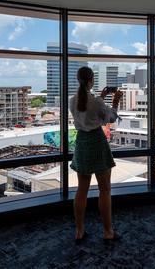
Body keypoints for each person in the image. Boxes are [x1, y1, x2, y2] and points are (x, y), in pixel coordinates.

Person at [69, 66, 123, 243]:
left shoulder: (72, 101)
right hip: (97, 143)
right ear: (91, 80)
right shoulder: (96, 103)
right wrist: (114, 102)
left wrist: (101, 96)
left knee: (81, 190)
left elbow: (89, 108)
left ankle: (78, 231)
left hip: (82, 143)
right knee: (105, 189)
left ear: (79, 80)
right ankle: (108, 232)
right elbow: (111, 118)